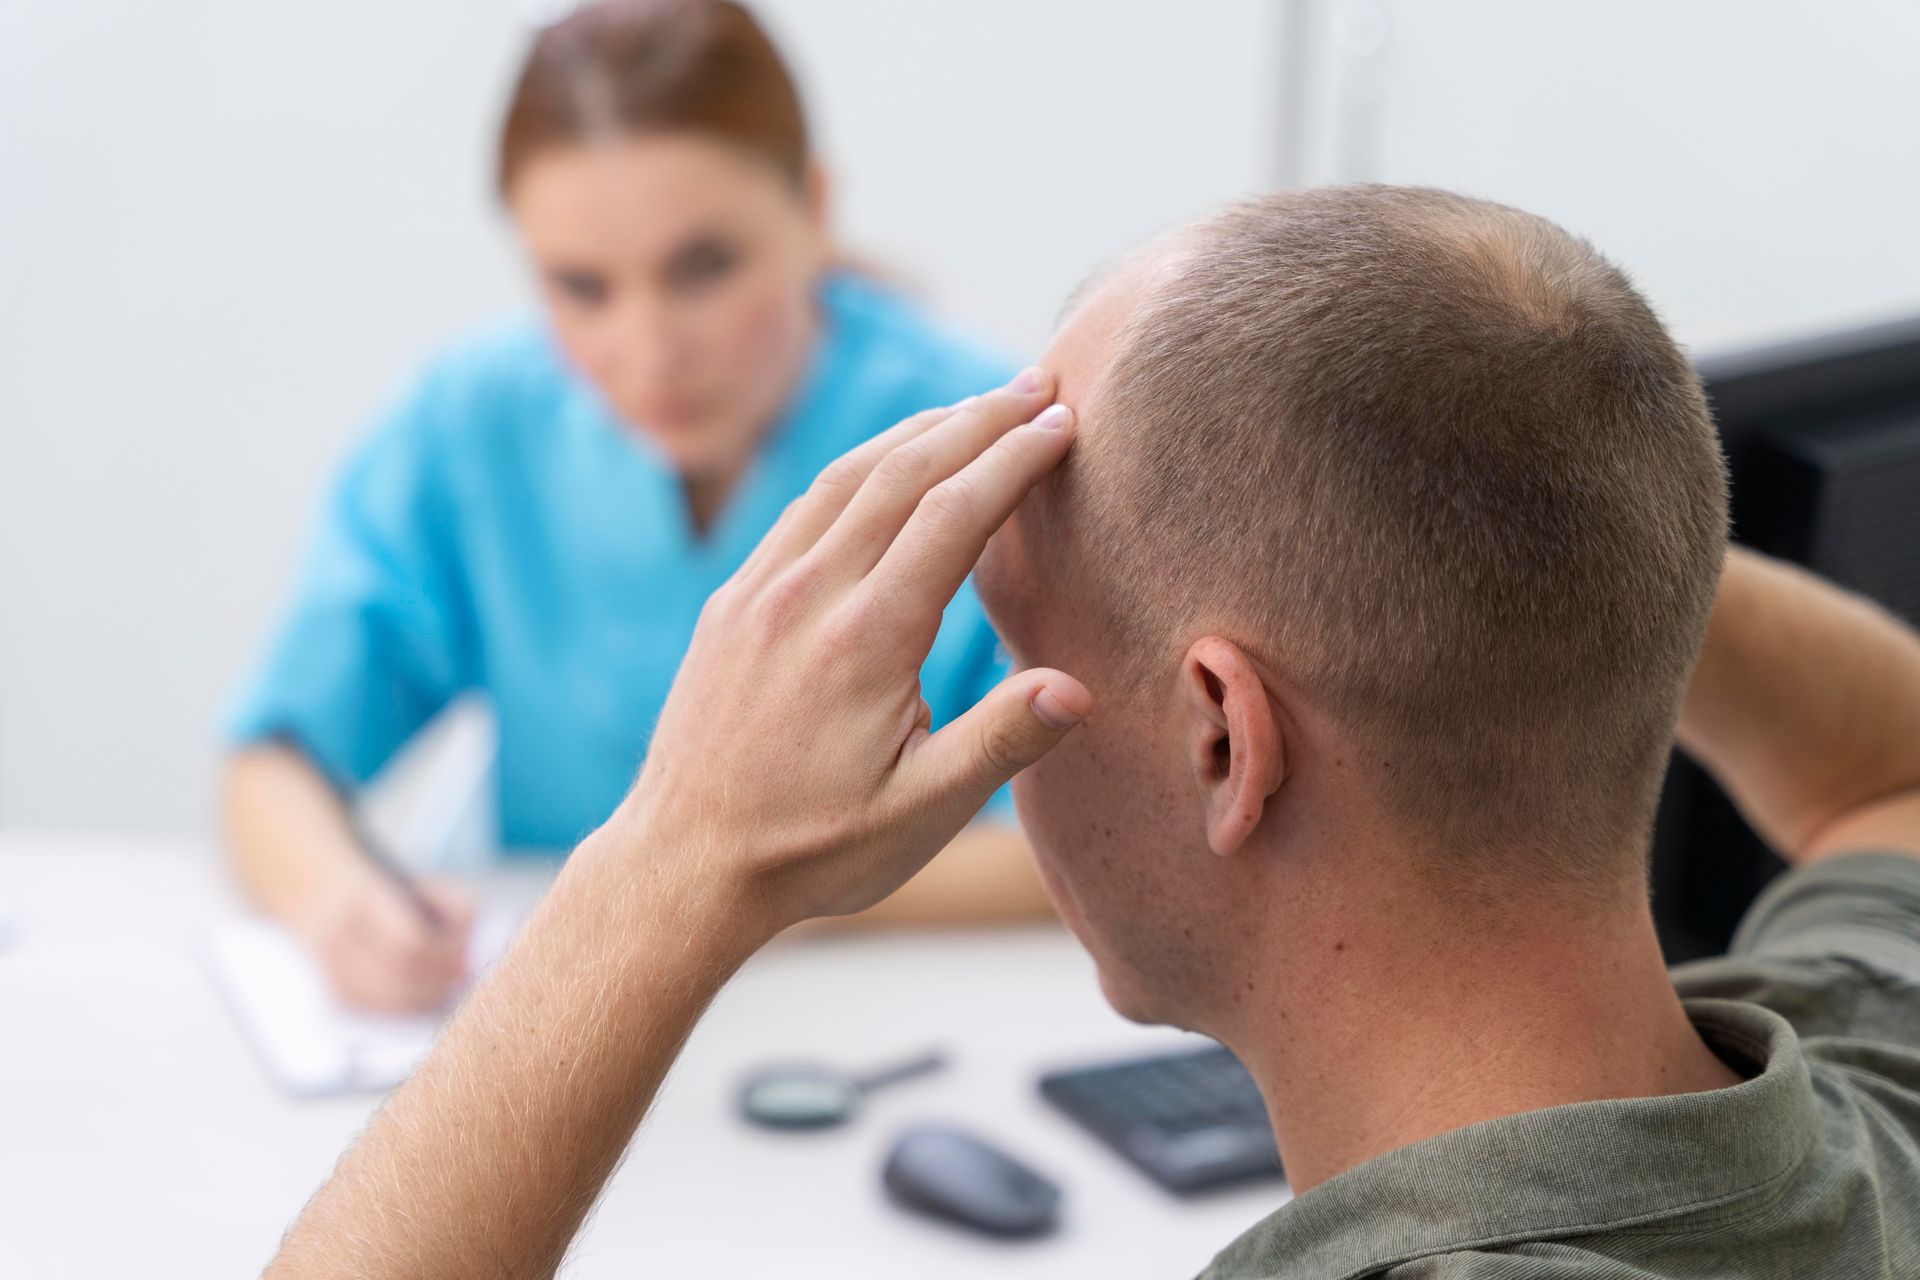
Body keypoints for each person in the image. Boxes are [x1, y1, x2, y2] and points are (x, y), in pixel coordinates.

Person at [263, 187, 1920, 1277]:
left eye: (1010, 628)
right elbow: (1886, 771)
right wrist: (1544, 501)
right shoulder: (1879, 1078)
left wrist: (669, 860)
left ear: (1222, 742)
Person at [221, 0, 1043, 1014]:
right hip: (565, 1016)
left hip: (886, 1021)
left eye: (703, 268)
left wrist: (723, 899)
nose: (647, 352)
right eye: (580, 286)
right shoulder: (472, 424)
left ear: (814, 209)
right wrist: (338, 898)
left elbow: (1074, 842)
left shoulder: (990, 446)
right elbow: (276, 758)